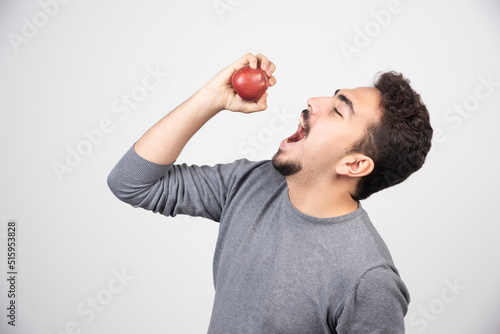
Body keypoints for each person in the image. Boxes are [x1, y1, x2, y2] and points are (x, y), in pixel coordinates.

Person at [107, 53, 433, 333]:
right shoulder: (250, 183)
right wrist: (211, 98)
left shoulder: (368, 280)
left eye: (338, 110)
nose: (314, 101)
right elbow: (132, 183)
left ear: (355, 164)